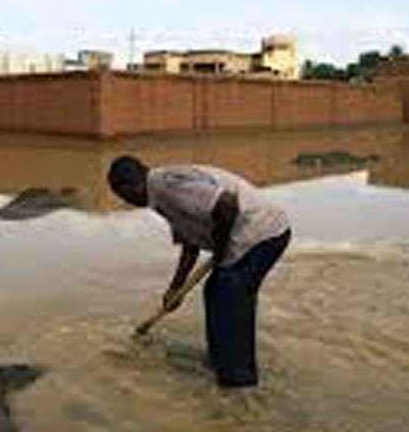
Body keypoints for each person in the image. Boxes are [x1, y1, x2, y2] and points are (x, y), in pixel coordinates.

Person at [108, 155, 291, 388]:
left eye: (125, 196)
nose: (128, 202)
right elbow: (190, 243)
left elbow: (227, 206)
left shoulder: (169, 186)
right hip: (245, 237)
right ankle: (219, 361)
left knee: (229, 292)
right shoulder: (159, 194)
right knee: (214, 290)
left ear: (131, 187)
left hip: (262, 233)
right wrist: (176, 288)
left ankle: (239, 381)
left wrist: (221, 251)